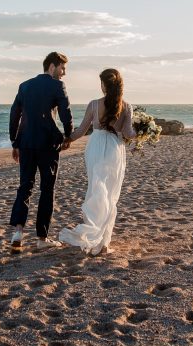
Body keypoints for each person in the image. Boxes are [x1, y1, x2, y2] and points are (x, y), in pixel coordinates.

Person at [58, 68, 136, 255]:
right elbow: (128, 134)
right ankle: (104, 242)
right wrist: (142, 131)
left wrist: (66, 140)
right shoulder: (126, 107)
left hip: (95, 147)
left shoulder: (94, 104)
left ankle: (96, 235)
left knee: (96, 188)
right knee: (110, 192)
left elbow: (81, 130)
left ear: (104, 85)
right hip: (114, 149)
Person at [8, 52, 74, 252]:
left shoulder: (25, 86)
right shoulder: (57, 86)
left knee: (25, 186)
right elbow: (65, 113)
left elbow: (14, 114)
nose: (64, 73)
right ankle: (42, 238)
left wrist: (15, 142)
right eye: (62, 68)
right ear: (52, 66)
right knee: (47, 189)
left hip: (26, 143)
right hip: (48, 145)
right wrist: (68, 135)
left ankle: (18, 233)